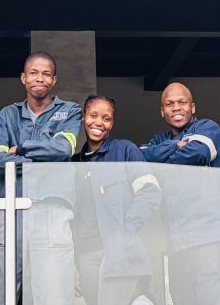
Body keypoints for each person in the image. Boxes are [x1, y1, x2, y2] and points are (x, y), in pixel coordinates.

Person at [0, 52, 82, 305]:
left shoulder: (70, 110)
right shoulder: (7, 115)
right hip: (10, 209)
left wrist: (20, 150)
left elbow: (63, 150)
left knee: (54, 294)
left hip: (52, 208)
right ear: (23, 78)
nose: (40, 78)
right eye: (34, 73)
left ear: (54, 80)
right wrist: (40, 156)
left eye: (46, 74)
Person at [142, 83, 220, 305]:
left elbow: (197, 154)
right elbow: (141, 157)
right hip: (176, 245)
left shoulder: (209, 128)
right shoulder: (159, 139)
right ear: (162, 111)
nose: (176, 108)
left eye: (182, 102)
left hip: (209, 239)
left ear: (193, 107)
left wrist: (162, 156)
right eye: (169, 104)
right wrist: (177, 146)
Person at [72, 94, 161, 305]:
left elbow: (150, 191)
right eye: (93, 115)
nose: (99, 123)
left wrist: (126, 230)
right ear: (83, 118)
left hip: (120, 252)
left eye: (106, 118)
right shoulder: (73, 163)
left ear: (111, 124)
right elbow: (73, 218)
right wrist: (73, 263)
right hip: (88, 257)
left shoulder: (124, 150)